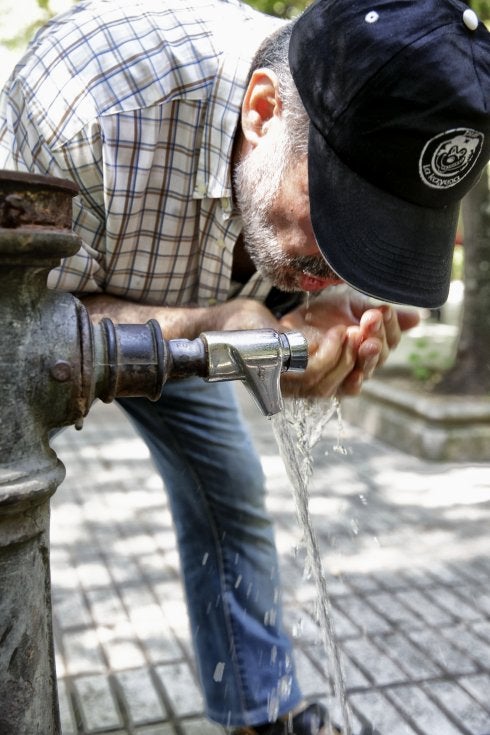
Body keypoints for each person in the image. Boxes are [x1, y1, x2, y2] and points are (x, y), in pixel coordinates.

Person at [1, 0, 489, 733]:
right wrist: (216, 325)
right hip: (73, 300)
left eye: (380, 237)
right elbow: (16, 334)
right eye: (341, 220)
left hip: (204, 302)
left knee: (230, 490)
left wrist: (301, 336)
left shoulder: (314, 152)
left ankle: (260, 712)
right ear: (262, 112)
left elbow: (299, 298)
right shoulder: (85, 105)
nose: (343, 263)